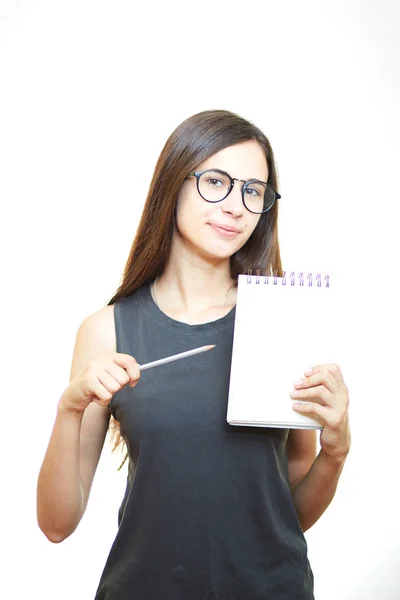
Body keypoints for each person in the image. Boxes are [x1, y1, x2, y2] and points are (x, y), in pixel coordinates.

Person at [37, 109, 351, 599]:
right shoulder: (105, 331)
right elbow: (57, 524)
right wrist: (69, 408)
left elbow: (287, 520)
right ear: (173, 185)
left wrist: (336, 451)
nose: (236, 205)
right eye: (217, 182)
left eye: (253, 190)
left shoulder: (284, 319)